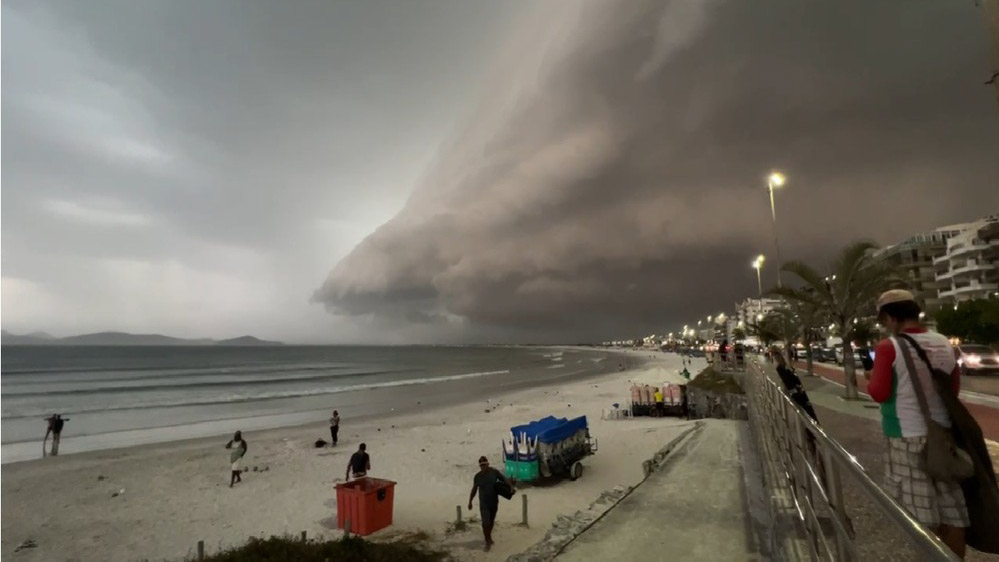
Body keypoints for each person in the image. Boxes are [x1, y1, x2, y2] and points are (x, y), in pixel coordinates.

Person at [863, 289, 967, 558]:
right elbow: (953, 391)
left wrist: (870, 377)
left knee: (918, 515)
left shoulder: (889, 347)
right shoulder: (944, 343)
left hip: (905, 435)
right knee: (950, 509)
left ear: (890, 317)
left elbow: (879, 393)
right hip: (942, 435)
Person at [468, 456, 514, 552]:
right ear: (480, 466)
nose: (483, 467)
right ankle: (487, 541)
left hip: (494, 502)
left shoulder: (494, 472)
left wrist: (510, 486)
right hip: (483, 503)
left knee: (491, 521)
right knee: (485, 523)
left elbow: (504, 479)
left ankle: (489, 537)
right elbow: (474, 489)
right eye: (482, 465)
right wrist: (470, 501)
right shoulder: (477, 477)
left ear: (488, 464)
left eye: (485, 465)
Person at [773, 349, 818, 421]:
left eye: (776, 357)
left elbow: (789, 379)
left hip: (795, 389)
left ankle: (810, 420)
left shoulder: (782, 367)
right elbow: (788, 379)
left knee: (803, 406)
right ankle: (810, 420)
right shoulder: (783, 366)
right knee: (803, 406)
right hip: (795, 389)